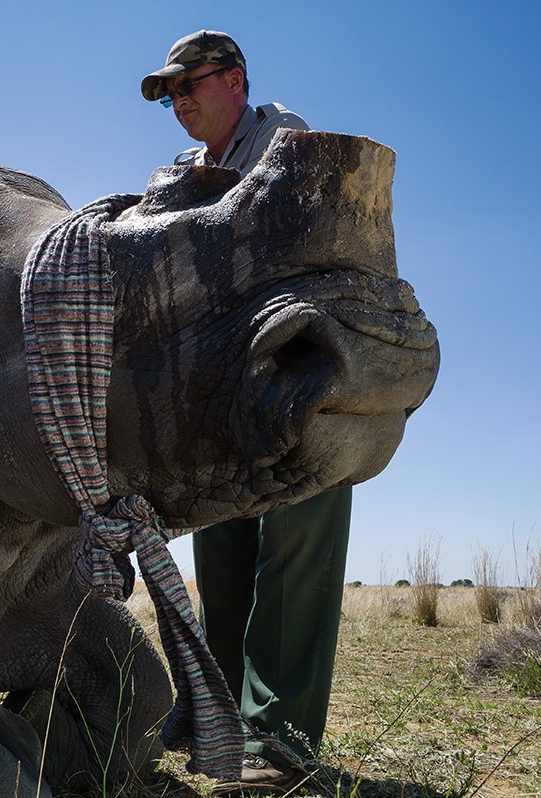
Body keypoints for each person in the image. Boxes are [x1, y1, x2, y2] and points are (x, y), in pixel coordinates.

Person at [140, 30, 354, 792]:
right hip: (225, 391)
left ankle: (281, 738)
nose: (177, 101)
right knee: (222, 543)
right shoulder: (181, 173)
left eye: (188, 83)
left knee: (297, 536)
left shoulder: (288, 145)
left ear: (236, 78)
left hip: (308, 382)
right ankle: (217, 711)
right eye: (168, 93)